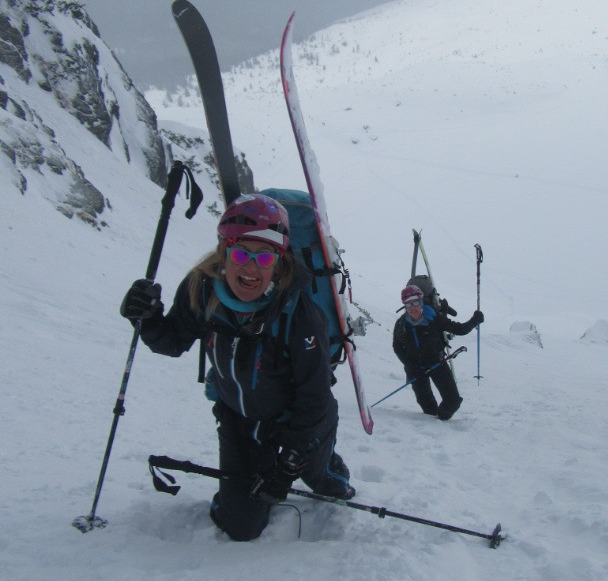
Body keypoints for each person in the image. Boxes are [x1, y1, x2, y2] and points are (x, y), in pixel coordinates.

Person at [119, 192, 354, 542]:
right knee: (241, 526)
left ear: (280, 260)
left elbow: (315, 397)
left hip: (300, 421)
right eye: (241, 253)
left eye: (265, 257)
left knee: (325, 483)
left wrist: (288, 465)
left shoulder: (300, 313)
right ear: (224, 253)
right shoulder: (202, 290)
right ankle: (239, 497)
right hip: (240, 420)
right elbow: (172, 342)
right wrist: (147, 319)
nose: (251, 267)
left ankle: (329, 467)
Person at [392, 284, 483, 420]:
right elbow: (397, 347)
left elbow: (459, 329)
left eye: (416, 302)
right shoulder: (401, 324)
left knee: (453, 401)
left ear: (421, 301)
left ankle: (439, 423)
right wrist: (410, 365)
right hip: (415, 369)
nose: (413, 308)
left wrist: (474, 321)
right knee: (428, 408)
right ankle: (432, 428)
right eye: (408, 304)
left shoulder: (434, 318)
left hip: (436, 363)